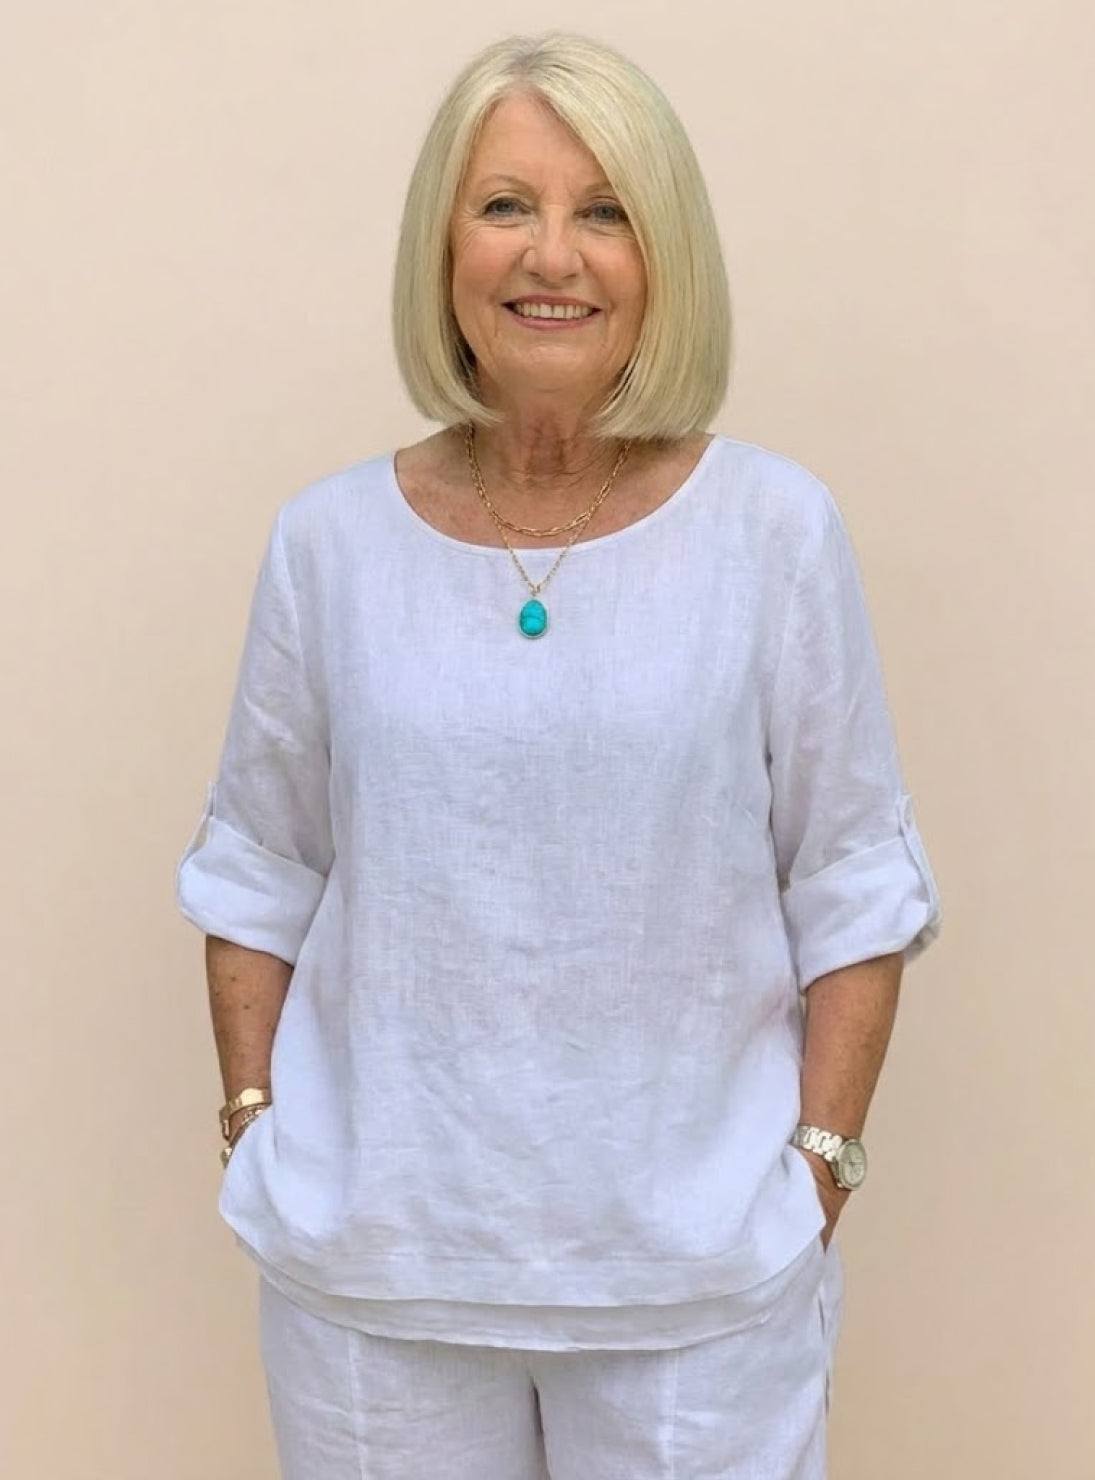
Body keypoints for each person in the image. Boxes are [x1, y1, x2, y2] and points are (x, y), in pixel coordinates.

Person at [174, 28, 943, 1480]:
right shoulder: (329, 544)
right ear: (443, 246)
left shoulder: (772, 532)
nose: (553, 254)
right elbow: (259, 868)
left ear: (664, 256)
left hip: (697, 1290)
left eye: (604, 211)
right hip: (376, 1284)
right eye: (505, 204)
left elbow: (851, 882)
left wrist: (817, 1172)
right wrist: (257, 1122)